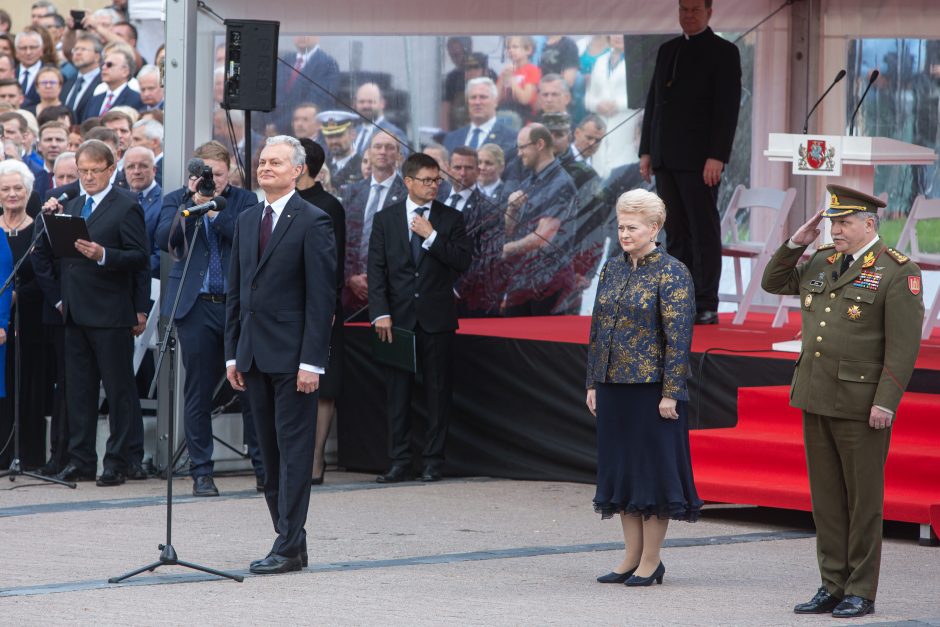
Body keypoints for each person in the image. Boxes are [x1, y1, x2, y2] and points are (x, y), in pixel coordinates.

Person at [761, 185, 924, 619]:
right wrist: (798, 240)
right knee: (827, 499)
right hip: (816, 394)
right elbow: (773, 281)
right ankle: (832, 584)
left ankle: (861, 590)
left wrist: (885, 402)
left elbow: (903, 347)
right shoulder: (821, 260)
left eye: (844, 222)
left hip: (861, 402)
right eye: (833, 222)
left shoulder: (896, 271)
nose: (835, 230)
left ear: (869, 224)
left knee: (862, 501)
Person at [225, 135, 336, 574]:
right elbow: (236, 291)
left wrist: (312, 362)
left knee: (292, 455)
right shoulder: (247, 219)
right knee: (266, 457)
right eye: (261, 161)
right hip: (252, 356)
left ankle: (287, 546)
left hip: (293, 360)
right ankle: (292, 537)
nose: (265, 167)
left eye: (275, 162)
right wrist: (233, 354)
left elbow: (321, 298)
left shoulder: (314, 220)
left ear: (298, 170)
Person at [586, 188, 700, 587]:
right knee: (622, 474)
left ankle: (652, 559)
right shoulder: (612, 268)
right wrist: (593, 382)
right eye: (620, 226)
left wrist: (671, 391)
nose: (624, 233)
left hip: (651, 390)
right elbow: (598, 329)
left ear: (654, 228)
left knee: (651, 474)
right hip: (614, 385)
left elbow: (678, 337)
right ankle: (630, 556)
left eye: (632, 227)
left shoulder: (671, 272)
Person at [33, 139, 149, 486]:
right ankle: (81, 459)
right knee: (79, 392)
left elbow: (139, 257)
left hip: (111, 313)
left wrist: (103, 254)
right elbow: (48, 254)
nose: (86, 177)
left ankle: (117, 460)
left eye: (94, 171)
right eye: (82, 171)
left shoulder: (126, 205)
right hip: (75, 313)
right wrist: (47, 219)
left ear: (111, 170)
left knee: (117, 391)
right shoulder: (74, 203)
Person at [157, 140, 265, 496]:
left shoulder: (245, 201)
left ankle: (263, 467)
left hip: (237, 307)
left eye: (218, 174)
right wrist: (191, 205)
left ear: (230, 171)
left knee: (250, 386)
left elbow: (248, 240)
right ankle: (201, 470)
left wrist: (215, 213)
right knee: (198, 391)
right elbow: (162, 240)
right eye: (205, 174)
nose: (212, 180)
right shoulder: (178, 199)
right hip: (195, 305)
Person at [368, 152, 471, 483]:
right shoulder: (385, 219)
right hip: (396, 320)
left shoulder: (450, 218)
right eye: (426, 180)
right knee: (397, 393)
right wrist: (380, 312)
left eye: (437, 180)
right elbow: (377, 270)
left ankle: (433, 461)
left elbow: (462, 261)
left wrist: (432, 235)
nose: (433, 186)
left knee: (438, 393)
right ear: (408, 181)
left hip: (436, 318)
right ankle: (399, 460)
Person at [639, 0, 742, 326]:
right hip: (666, 155)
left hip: (700, 159)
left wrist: (717, 155)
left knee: (703, 230)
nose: (689, 15)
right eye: (684, 9)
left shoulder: (723, 51)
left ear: (709, 13)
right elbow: (654, 103)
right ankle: (678, 297)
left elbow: (727, 109)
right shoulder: (668, 49)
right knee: (676, 232)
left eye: (695, 9)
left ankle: (706, 301)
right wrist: (647, 150)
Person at [296, 138, 345, 485]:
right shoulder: (275, 202)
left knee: (322, 383)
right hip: (281, 306)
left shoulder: (329, 205)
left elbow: (334, 263)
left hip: (319, 304)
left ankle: (315, 461)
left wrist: (326, 305)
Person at [501, 123, 576, 315]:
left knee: (539, 344)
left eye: (522, 147)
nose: (519, 154)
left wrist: (506, 250)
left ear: (539, 144)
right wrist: (511, 208)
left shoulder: (560, 182)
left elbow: (543, 238)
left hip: (548, 282)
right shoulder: (530, 181)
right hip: (522, 279)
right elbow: (509, 231)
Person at [0, 161, 40, 469]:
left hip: (30, 322)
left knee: (27, 384)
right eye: (5, 189)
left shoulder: (39, 229)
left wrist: (17, 296)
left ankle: (26, 455)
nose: (12, 194)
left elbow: (45, 277)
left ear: (28, 192)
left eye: (18, 188)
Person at [342, 131, 406, 319]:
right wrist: (350, 277)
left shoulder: (407, 195)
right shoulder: (352, 192)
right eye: (377, 146)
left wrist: (381, 280)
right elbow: (341, 240)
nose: (383, 151)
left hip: (392, 295)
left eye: (389, 147)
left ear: (399, 155)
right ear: (368, 152)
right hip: (351, 293)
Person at [445, 146, 504, 318]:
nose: (462, 173)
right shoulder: (435, 200)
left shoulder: (489, 208)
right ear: (448, 169)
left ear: (478, 171)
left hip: (469, 301)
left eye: (468, 168)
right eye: (457, 167)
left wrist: (456, 289)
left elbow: (489, 256)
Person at [584, 35, 634, 178]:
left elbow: (643, 95)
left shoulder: (637, 60)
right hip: (601, 120)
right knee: (600, 164)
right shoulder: (600, 61)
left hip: (625, 120)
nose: (618, 37)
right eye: (615, 33)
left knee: (623, 167)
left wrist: (619, 105)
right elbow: (589, 97)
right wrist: (597, 105)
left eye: (623, 34)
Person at [443, 77, 516, 158]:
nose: (477, 102)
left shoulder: (511, 139)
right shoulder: (451, 138)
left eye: (483, 97)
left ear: (495, 101)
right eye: (473, 97)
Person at [352, 82, 406, 155]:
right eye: (361, 102)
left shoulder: (394, 134)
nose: (365, 106)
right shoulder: (353, 133)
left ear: (382, 104)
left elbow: (398, 164)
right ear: (355, 105)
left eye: (371, 102)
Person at [497, 36, 541, 124]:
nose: (510, 50)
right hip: (505, 115)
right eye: (508, 47)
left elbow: (525, 99)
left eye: (515, 47)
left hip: (524, 118)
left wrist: (512, 79)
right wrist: (502, 79)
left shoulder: (532, 70)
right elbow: (495, 101)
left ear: (528, 50)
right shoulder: (506, 71)